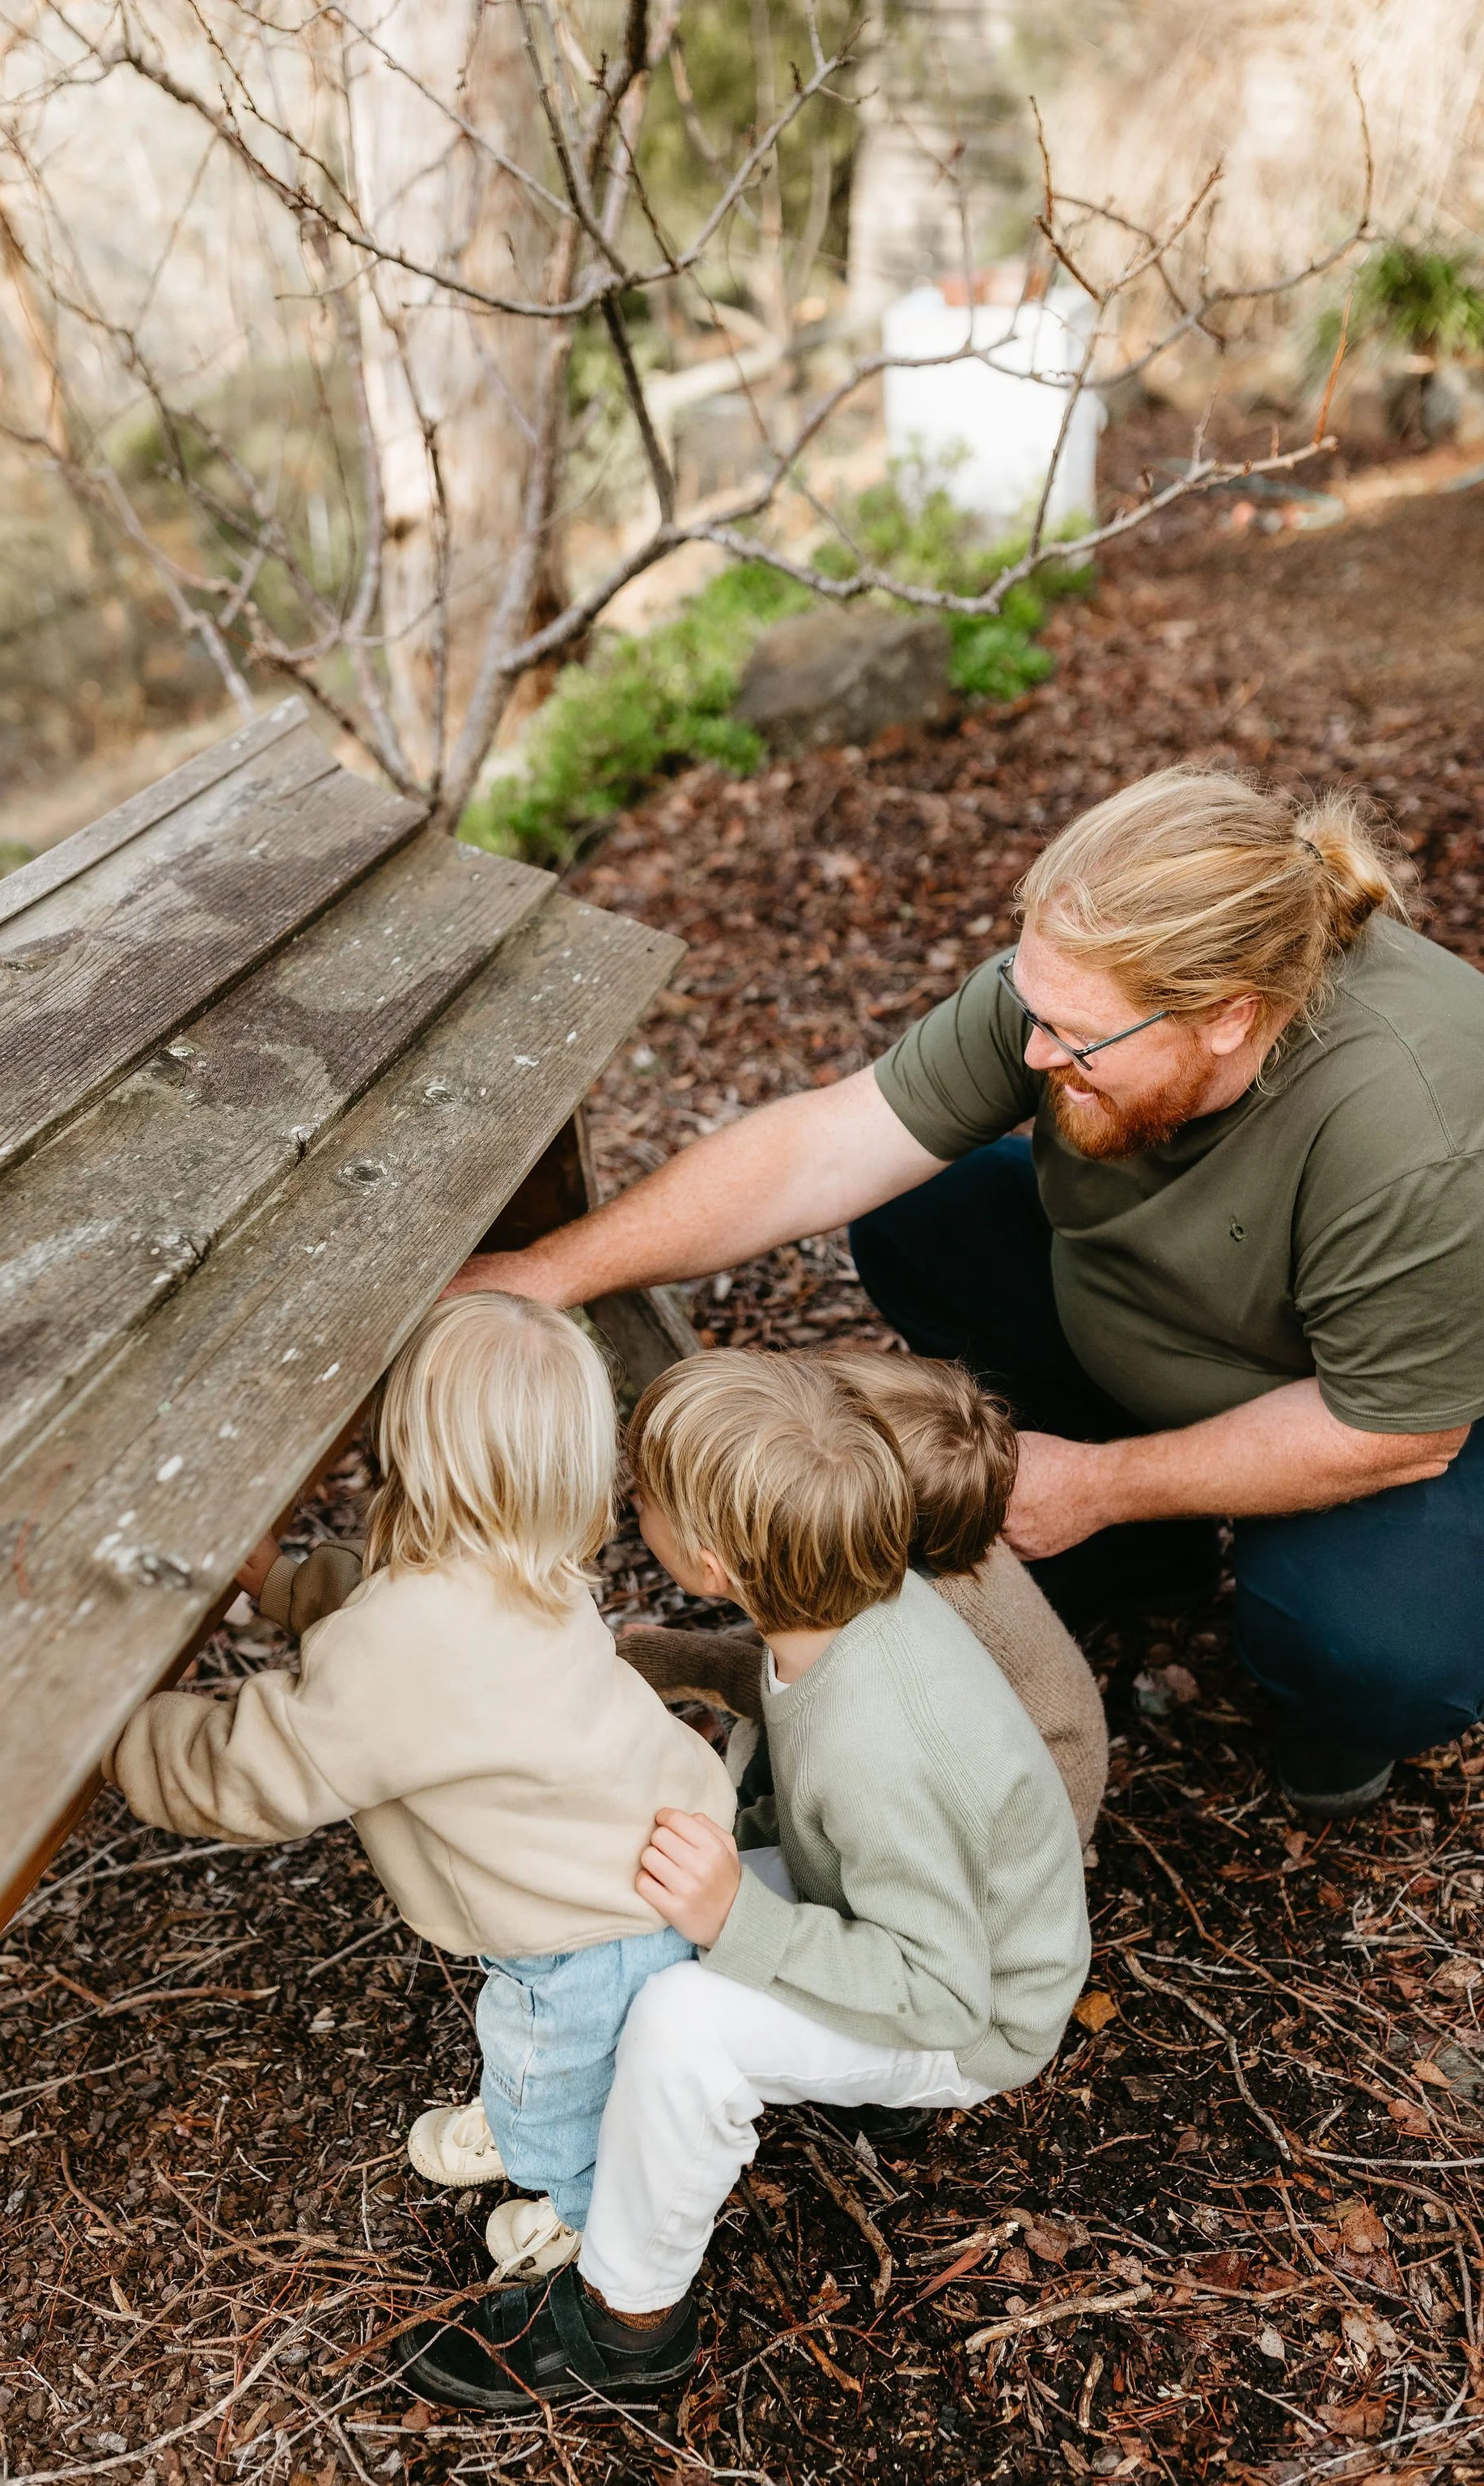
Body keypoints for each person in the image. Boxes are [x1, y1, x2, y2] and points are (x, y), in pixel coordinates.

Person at [447, 768, 1484, 1817]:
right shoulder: (1086, 989)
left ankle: (1333, 1733)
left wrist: (1096, 1483)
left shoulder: (1414, 1129)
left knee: (1376, 1646)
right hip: (1176, 1322)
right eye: (1032, 1012)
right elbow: (824, 1148)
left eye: (1074, 1037)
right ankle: (1146, 1554)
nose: (1036, 1054)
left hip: (1386, 1404)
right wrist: (544, 1275)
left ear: (1227, 1019)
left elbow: (1394, 1429)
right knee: (920, 1217)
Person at [412, 1349, 1092, 2408]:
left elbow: (948, 1988)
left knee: (688, 2025)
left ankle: (627, 2323)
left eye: (647, 1497)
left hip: (975, 2013)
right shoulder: (841, 1604)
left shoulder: (883, 1739)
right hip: (888, 1914)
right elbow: (829, 1820)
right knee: (654, 1879)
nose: (629, 1502)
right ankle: (571, 2123)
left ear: (715, 1561)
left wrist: (739, 1919)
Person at [103, 1292, 735, 2280]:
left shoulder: (408, 1642)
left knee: (553, 2078)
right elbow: (379, 1617)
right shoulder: (530, 1566)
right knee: (575, 2054)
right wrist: (284, 1587)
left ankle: (578, 2208)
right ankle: (554, 2104)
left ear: (411, 1447)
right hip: (645, 1859)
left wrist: (112, 1733)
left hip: (584, 1930)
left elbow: (251, 1774)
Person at [621, 1347, 1108, 1847]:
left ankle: (752, 1835)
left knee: (772, 1771)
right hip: (1005, 1774)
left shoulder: (892, 1631)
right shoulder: (925, 1540)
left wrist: (682, 1661)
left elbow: (810, 1701)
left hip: (1007, 1833)